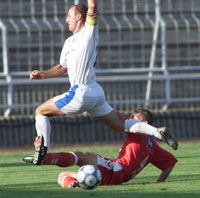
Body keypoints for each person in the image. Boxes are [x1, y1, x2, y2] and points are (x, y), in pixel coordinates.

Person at [25, 0, 178, 165]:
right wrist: (43, 74)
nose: (66, 20)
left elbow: (92, 7)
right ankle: (157, 132)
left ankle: (42, 152)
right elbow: (62, 67)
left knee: (40, 111)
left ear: (78, 17)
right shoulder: (69, 42)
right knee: (119, 125)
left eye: (69, 16)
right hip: (95, 93)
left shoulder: (89, 32)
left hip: (80, 92)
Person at [24, 109, 178, 188]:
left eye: (135, 117)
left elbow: (116, 117)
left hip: (117, 170)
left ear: (145, 123)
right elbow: (169, 164)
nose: (131, 118)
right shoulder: (153, 147)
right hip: (118, 172)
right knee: (63, 175)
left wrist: (94, 106)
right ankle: (73, 185)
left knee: (80, 157)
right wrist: (158, 184)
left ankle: (44, 158)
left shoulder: (137, 133)